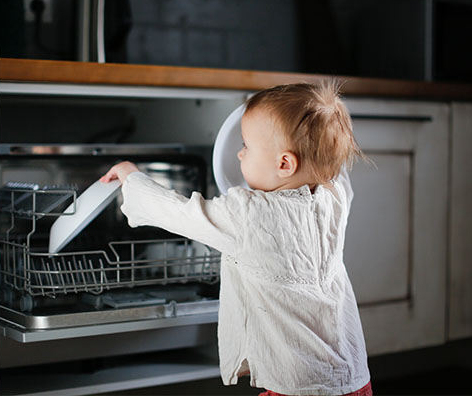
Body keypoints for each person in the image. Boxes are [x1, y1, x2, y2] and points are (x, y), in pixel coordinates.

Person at [100, 81, 372, 396]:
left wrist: (132, 177)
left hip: (297, 386)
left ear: (284, 164)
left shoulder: (248, 214)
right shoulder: (335, 194)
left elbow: (178, 213)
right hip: (353, 378)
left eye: (246, 146)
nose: (240, 153)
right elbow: (331, 163)